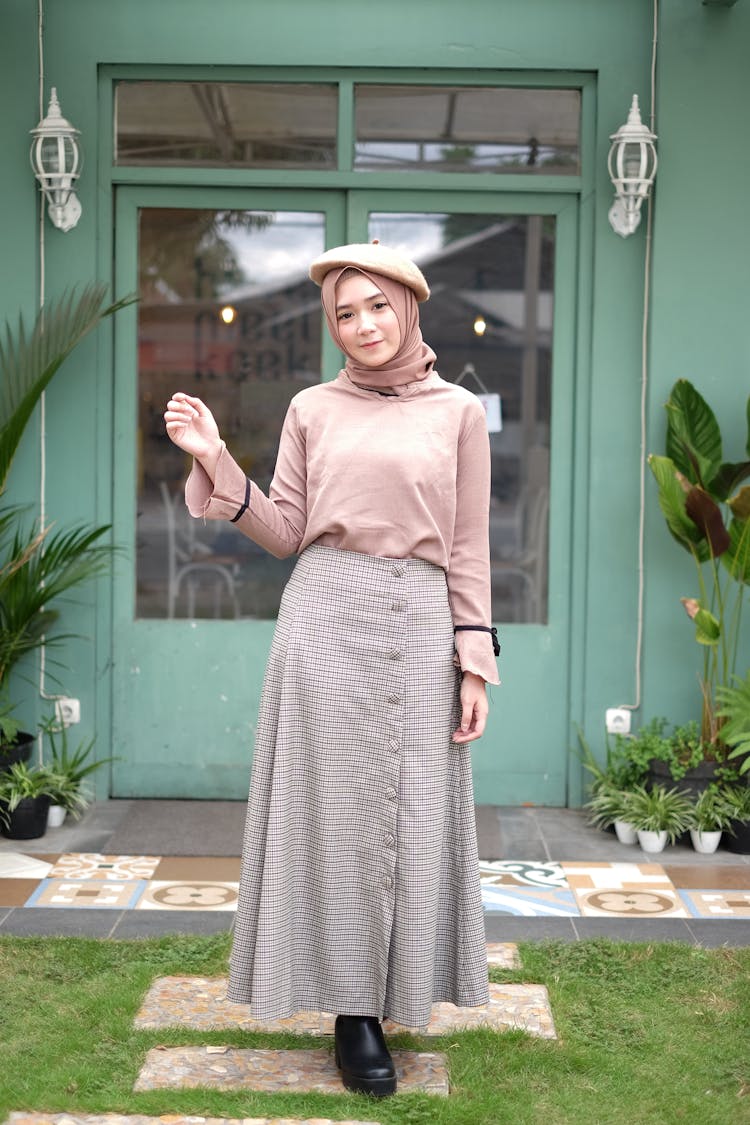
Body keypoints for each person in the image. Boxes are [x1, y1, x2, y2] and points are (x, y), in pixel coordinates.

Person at [164, 241, 500, 1098]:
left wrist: (473, 659)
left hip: (423, 619)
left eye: (376, 306)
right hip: (325, 616)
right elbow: (286, 530)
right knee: (333, 816)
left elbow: (467, 543)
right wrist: (214, 457)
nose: (362, 325)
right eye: (344, 314)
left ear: (408, 305)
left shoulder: (458, 411)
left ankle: (396, 990)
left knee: (413, 812)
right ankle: (354, 1013)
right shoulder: (312, 407)